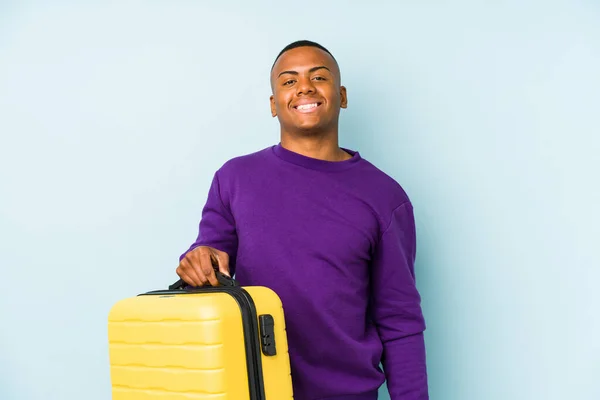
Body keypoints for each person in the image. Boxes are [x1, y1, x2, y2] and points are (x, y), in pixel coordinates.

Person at [176, 40, 429, 400]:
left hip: (346, 393)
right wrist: (198, 259)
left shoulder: (385, 196)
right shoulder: (234, 178)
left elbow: (399, 320)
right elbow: (211, 252)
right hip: (253, 388)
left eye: (319, 77)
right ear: (273, 104)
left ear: (341, 96)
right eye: (289, 81)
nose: (304, 88)